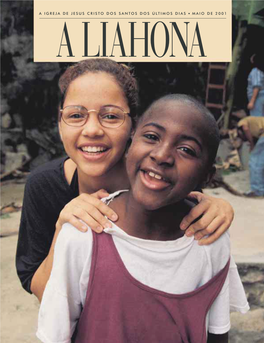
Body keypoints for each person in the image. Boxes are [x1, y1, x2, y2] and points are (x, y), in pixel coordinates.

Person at [16, 58, 234, 302]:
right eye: (76, 115)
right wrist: (62, 228)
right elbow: (42, 292)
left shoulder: (155, 181)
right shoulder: (43, 186)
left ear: (133, 126)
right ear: (60, 124)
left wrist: (215, 206)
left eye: (110, 116)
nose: (92, 130)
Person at [37, 94, 249, 343]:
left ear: (207, 175)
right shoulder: (84, 234)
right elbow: (55, 335)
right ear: (130, 142)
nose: (162, 156)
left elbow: (217, 333)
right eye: (151, 137)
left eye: (186, 150)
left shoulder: (209, 236)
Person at [237, 116, 264, 196]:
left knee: (255, 163)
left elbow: (245, 128)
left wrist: (251, 144)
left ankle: (258, 191)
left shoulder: (242, 121)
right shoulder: (256, 123)